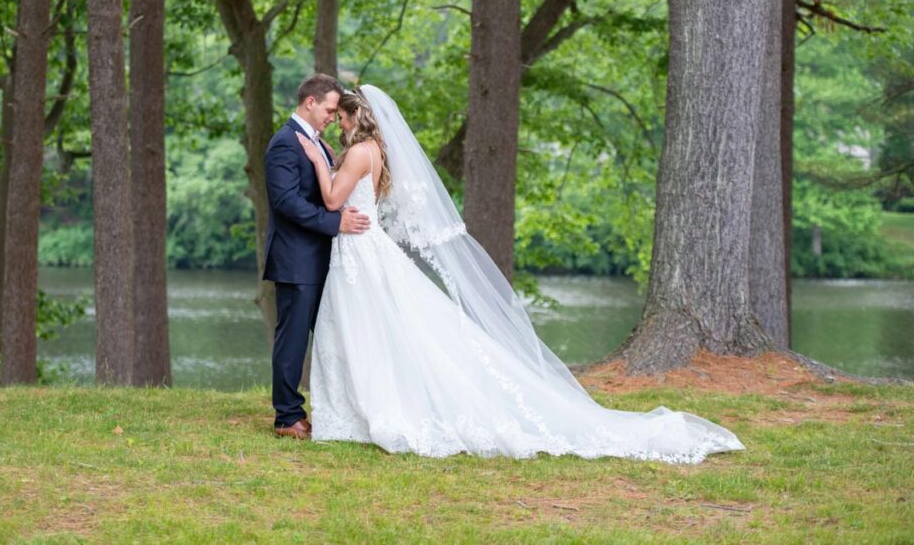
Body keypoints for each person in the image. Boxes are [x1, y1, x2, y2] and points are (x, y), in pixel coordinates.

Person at [294, 84, 745, 463]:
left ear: (357, 116)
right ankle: (357, 410)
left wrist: (317, 161)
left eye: (341, 116)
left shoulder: (356, 154)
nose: (338, 122)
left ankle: (361, 411)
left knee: (363, 330)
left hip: (359, 252)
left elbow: (334, 201)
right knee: (378, 330)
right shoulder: (375, 151)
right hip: (363, 249)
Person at [263, 74, 370, 440]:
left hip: (324, 260)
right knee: (292, 339)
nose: (331, 116)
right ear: (310, 102)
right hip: (296, 260)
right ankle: (287, 416)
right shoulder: (284, 144)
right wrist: (335, 222)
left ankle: (338, 409)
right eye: (328, 109)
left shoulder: (319, 146)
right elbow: (286, 203)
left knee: (331, 338)